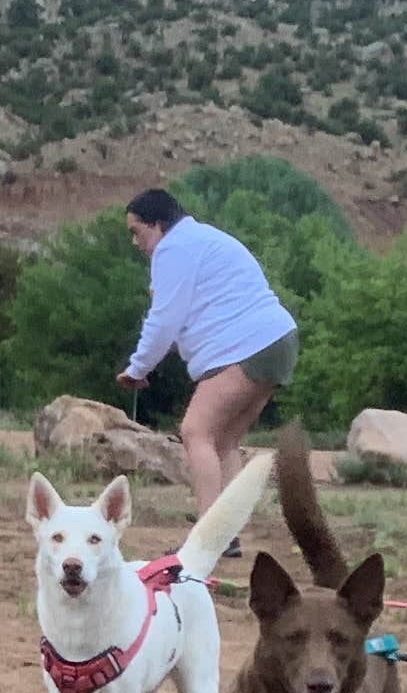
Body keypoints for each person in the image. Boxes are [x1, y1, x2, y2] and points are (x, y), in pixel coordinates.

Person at [114, 187, 299, 513]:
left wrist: (137, 367)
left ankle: (207, 535)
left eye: (136, 231)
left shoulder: (172, 249)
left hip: (248, 345)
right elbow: (182, 318)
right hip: (278, 340)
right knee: (223, 440)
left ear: (156, 224)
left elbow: (163, 321)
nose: (134, 241)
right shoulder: (202, 239)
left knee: (195, 431)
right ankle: (228, 533)